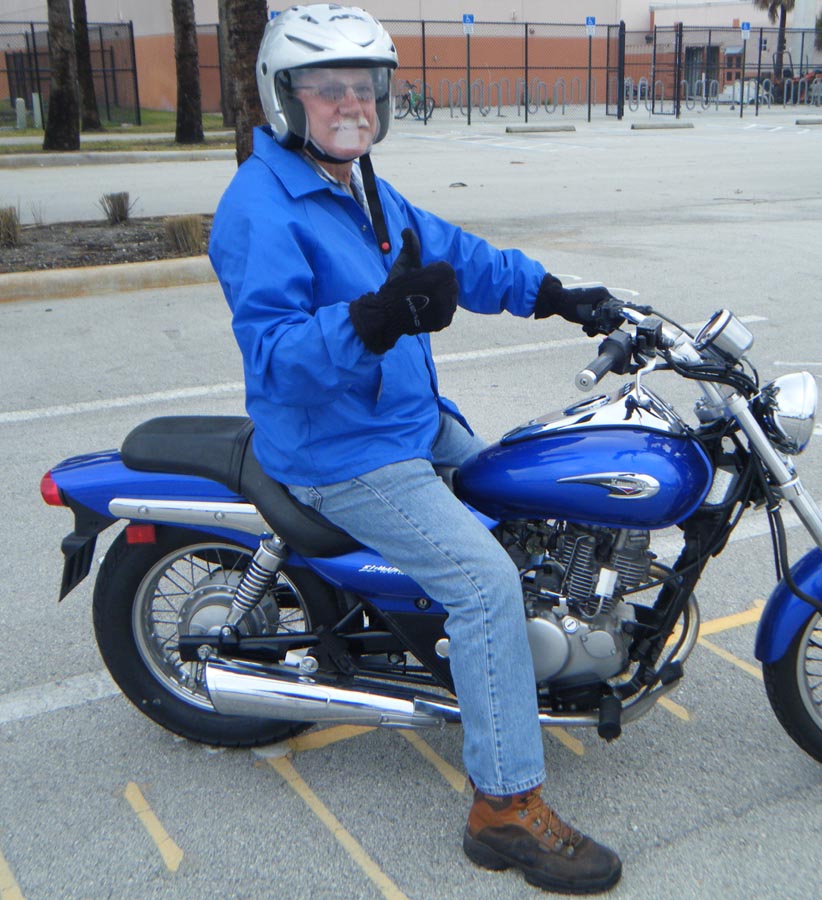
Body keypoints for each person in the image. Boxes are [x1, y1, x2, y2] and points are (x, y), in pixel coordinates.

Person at [208, 6, 621, 894]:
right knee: (485, 581)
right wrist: (374, 319)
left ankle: (506, 667)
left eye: (364, 87)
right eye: (328, 89)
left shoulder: (359, 185)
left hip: (408, 419)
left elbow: (455, 257)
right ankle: (503, 808)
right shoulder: (260, 207)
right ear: (286, 98)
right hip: (342, 450)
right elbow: (275, 359)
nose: (351, 104)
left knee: (537, 504)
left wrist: (556, 294)